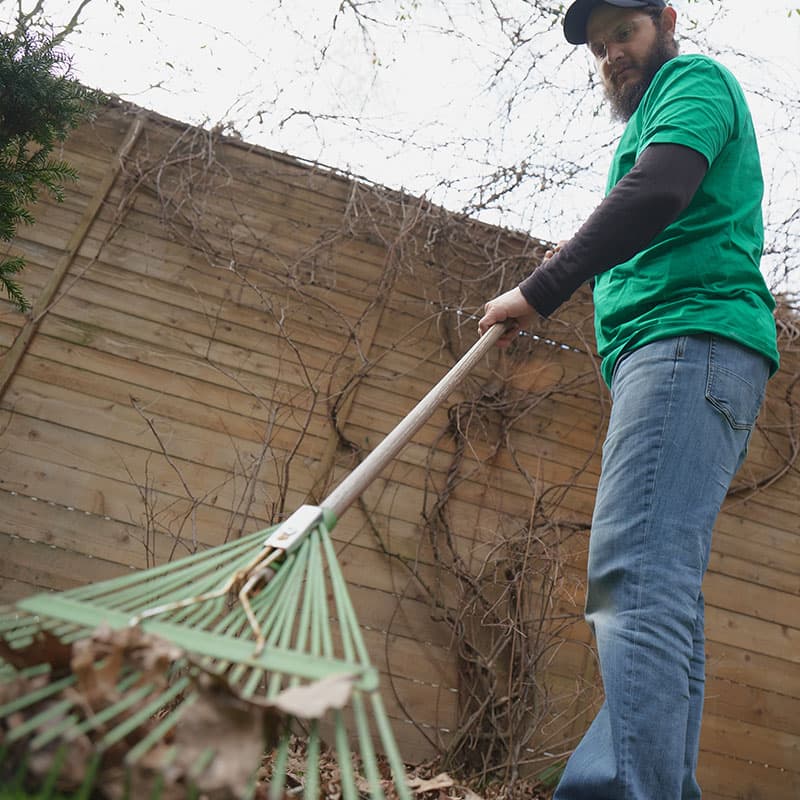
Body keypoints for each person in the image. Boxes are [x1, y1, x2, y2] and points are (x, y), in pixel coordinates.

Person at [477, 1, 780, 798]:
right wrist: (590, 263)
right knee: (660, 592)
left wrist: (542, 288)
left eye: (625, 30)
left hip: (689, 345)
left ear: (666, 19)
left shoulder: (693, 80)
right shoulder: (648, 120)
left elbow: (658, 193)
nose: (612, 52)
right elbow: (647, 203)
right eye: (600, 43)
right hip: (689, 354)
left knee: (634, 577)